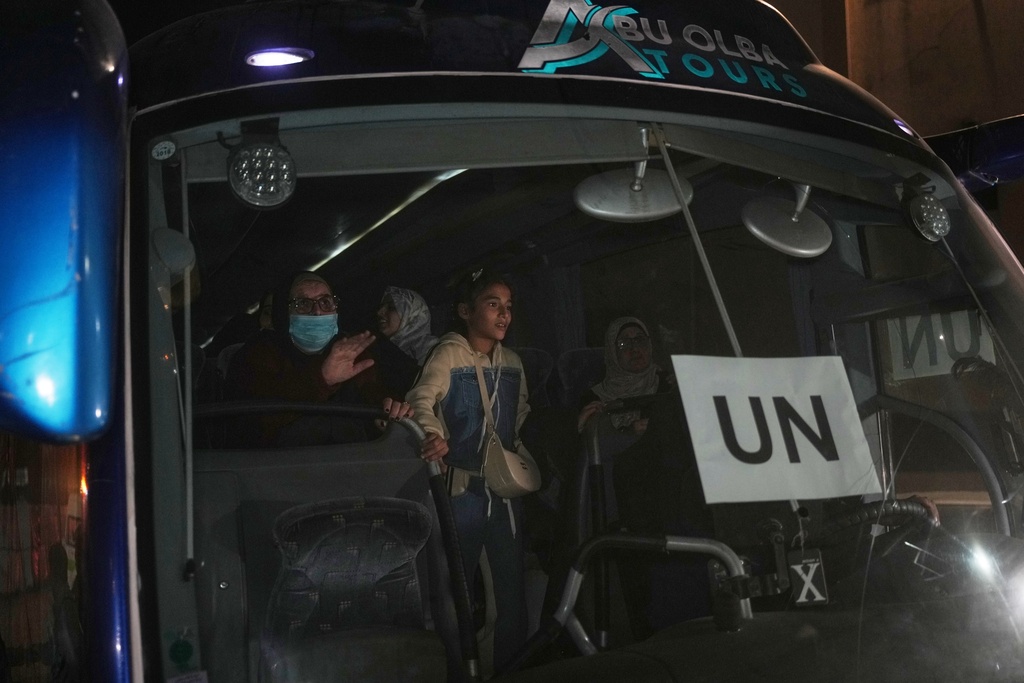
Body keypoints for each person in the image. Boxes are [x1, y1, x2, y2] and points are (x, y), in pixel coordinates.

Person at [405, 267, 529, 671]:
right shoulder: (448, 353)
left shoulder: (511, 361)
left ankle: (507, 667)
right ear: (465, 310)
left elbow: (521, 412)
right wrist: (433, 432)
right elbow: (422, 398)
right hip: (463, 491)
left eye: (508, 307)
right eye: (493, 304)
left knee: (511, 596)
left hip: (504, 490)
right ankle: (458, 671)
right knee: (455, 593)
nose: (504, 314)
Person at [224, 271, 412, 446]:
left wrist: (387, 408)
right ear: (283, 312)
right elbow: (253, 423)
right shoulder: (257, 353)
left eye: (325, 302)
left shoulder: (351, 350)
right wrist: (321, 378)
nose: (317, 312)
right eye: (303, 304)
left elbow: (373, 391)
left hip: (352, 464)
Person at [576, 316, 672, 434]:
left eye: (640, 340)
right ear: (612, 352)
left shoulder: (669, 385)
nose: (635, 348)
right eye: (624, 343)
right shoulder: (593, 399)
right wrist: (628, 433)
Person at [376, 286, 438, 364]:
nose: (379, 312)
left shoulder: (432, 349)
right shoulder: (379, 350)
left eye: (392, 308)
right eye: (381, 307)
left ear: (411, 315)